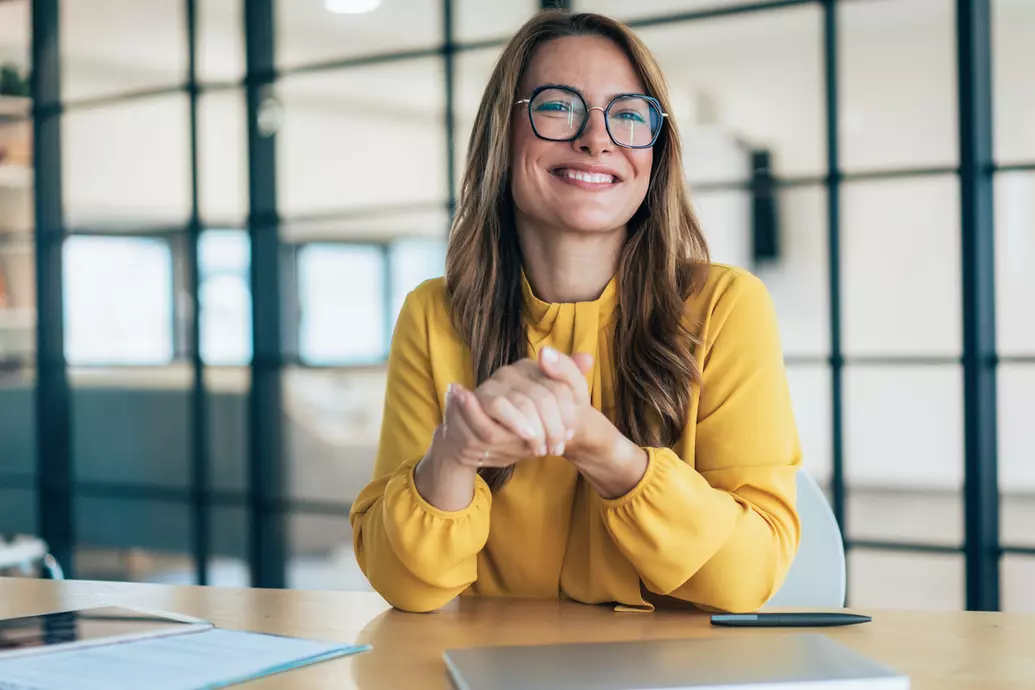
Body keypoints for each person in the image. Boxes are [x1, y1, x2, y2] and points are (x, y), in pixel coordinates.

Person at [349, 10, 801, 614]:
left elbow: (749, 577)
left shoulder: (725, 308)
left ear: (655, 152)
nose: (597, 138)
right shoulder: (434, 313)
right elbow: (405, 586)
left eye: (629, 114)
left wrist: (601, 449)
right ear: (503, 133)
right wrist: (454, 453)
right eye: (559, 106)